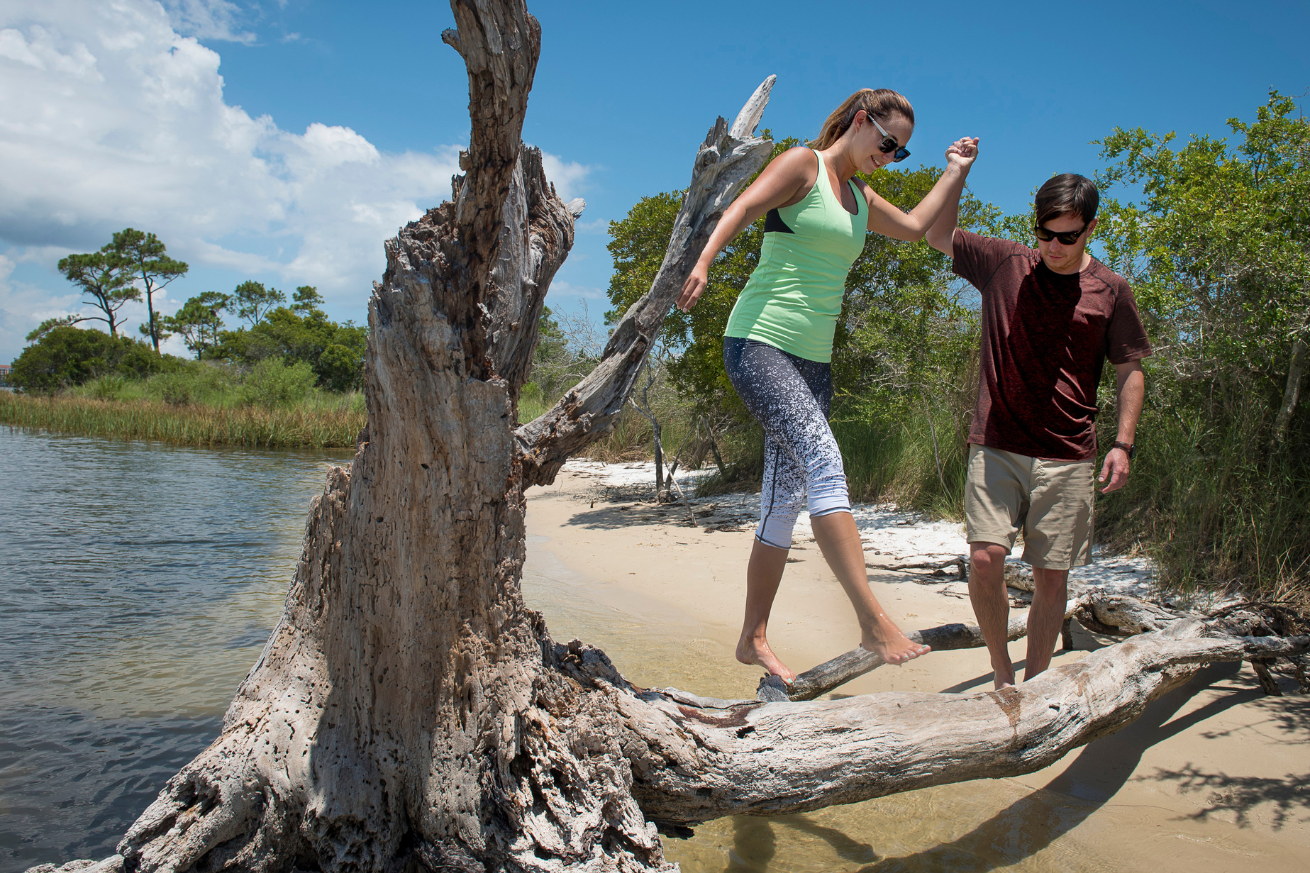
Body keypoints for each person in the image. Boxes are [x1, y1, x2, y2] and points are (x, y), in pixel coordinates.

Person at [678, 88, 979, 682]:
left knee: (783, 500)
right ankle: (870, 620)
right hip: (759, 342)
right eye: (887, 143)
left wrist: (955, 173)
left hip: (813, 365)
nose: (889, 158)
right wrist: (705, 260)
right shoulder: (802, 164)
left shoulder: (862, 199)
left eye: (901, 154)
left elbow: (921, 228)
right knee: (826, 463)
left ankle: (752, 637)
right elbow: (739, 208)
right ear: (861, 122)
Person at [924, 173, 1152, 689]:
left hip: (1068, 452)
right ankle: (1004, 674)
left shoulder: (1111, 290)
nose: (1053, 246)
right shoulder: (1005, 263)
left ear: (1090, 228)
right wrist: (957, 173)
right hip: (998, 441)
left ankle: (1040, 685)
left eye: (1067, 236)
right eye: (1045, 233)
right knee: (984, 559)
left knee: (1053, 577)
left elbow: (1130, 367)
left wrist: (1123, 443)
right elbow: (938, 234)